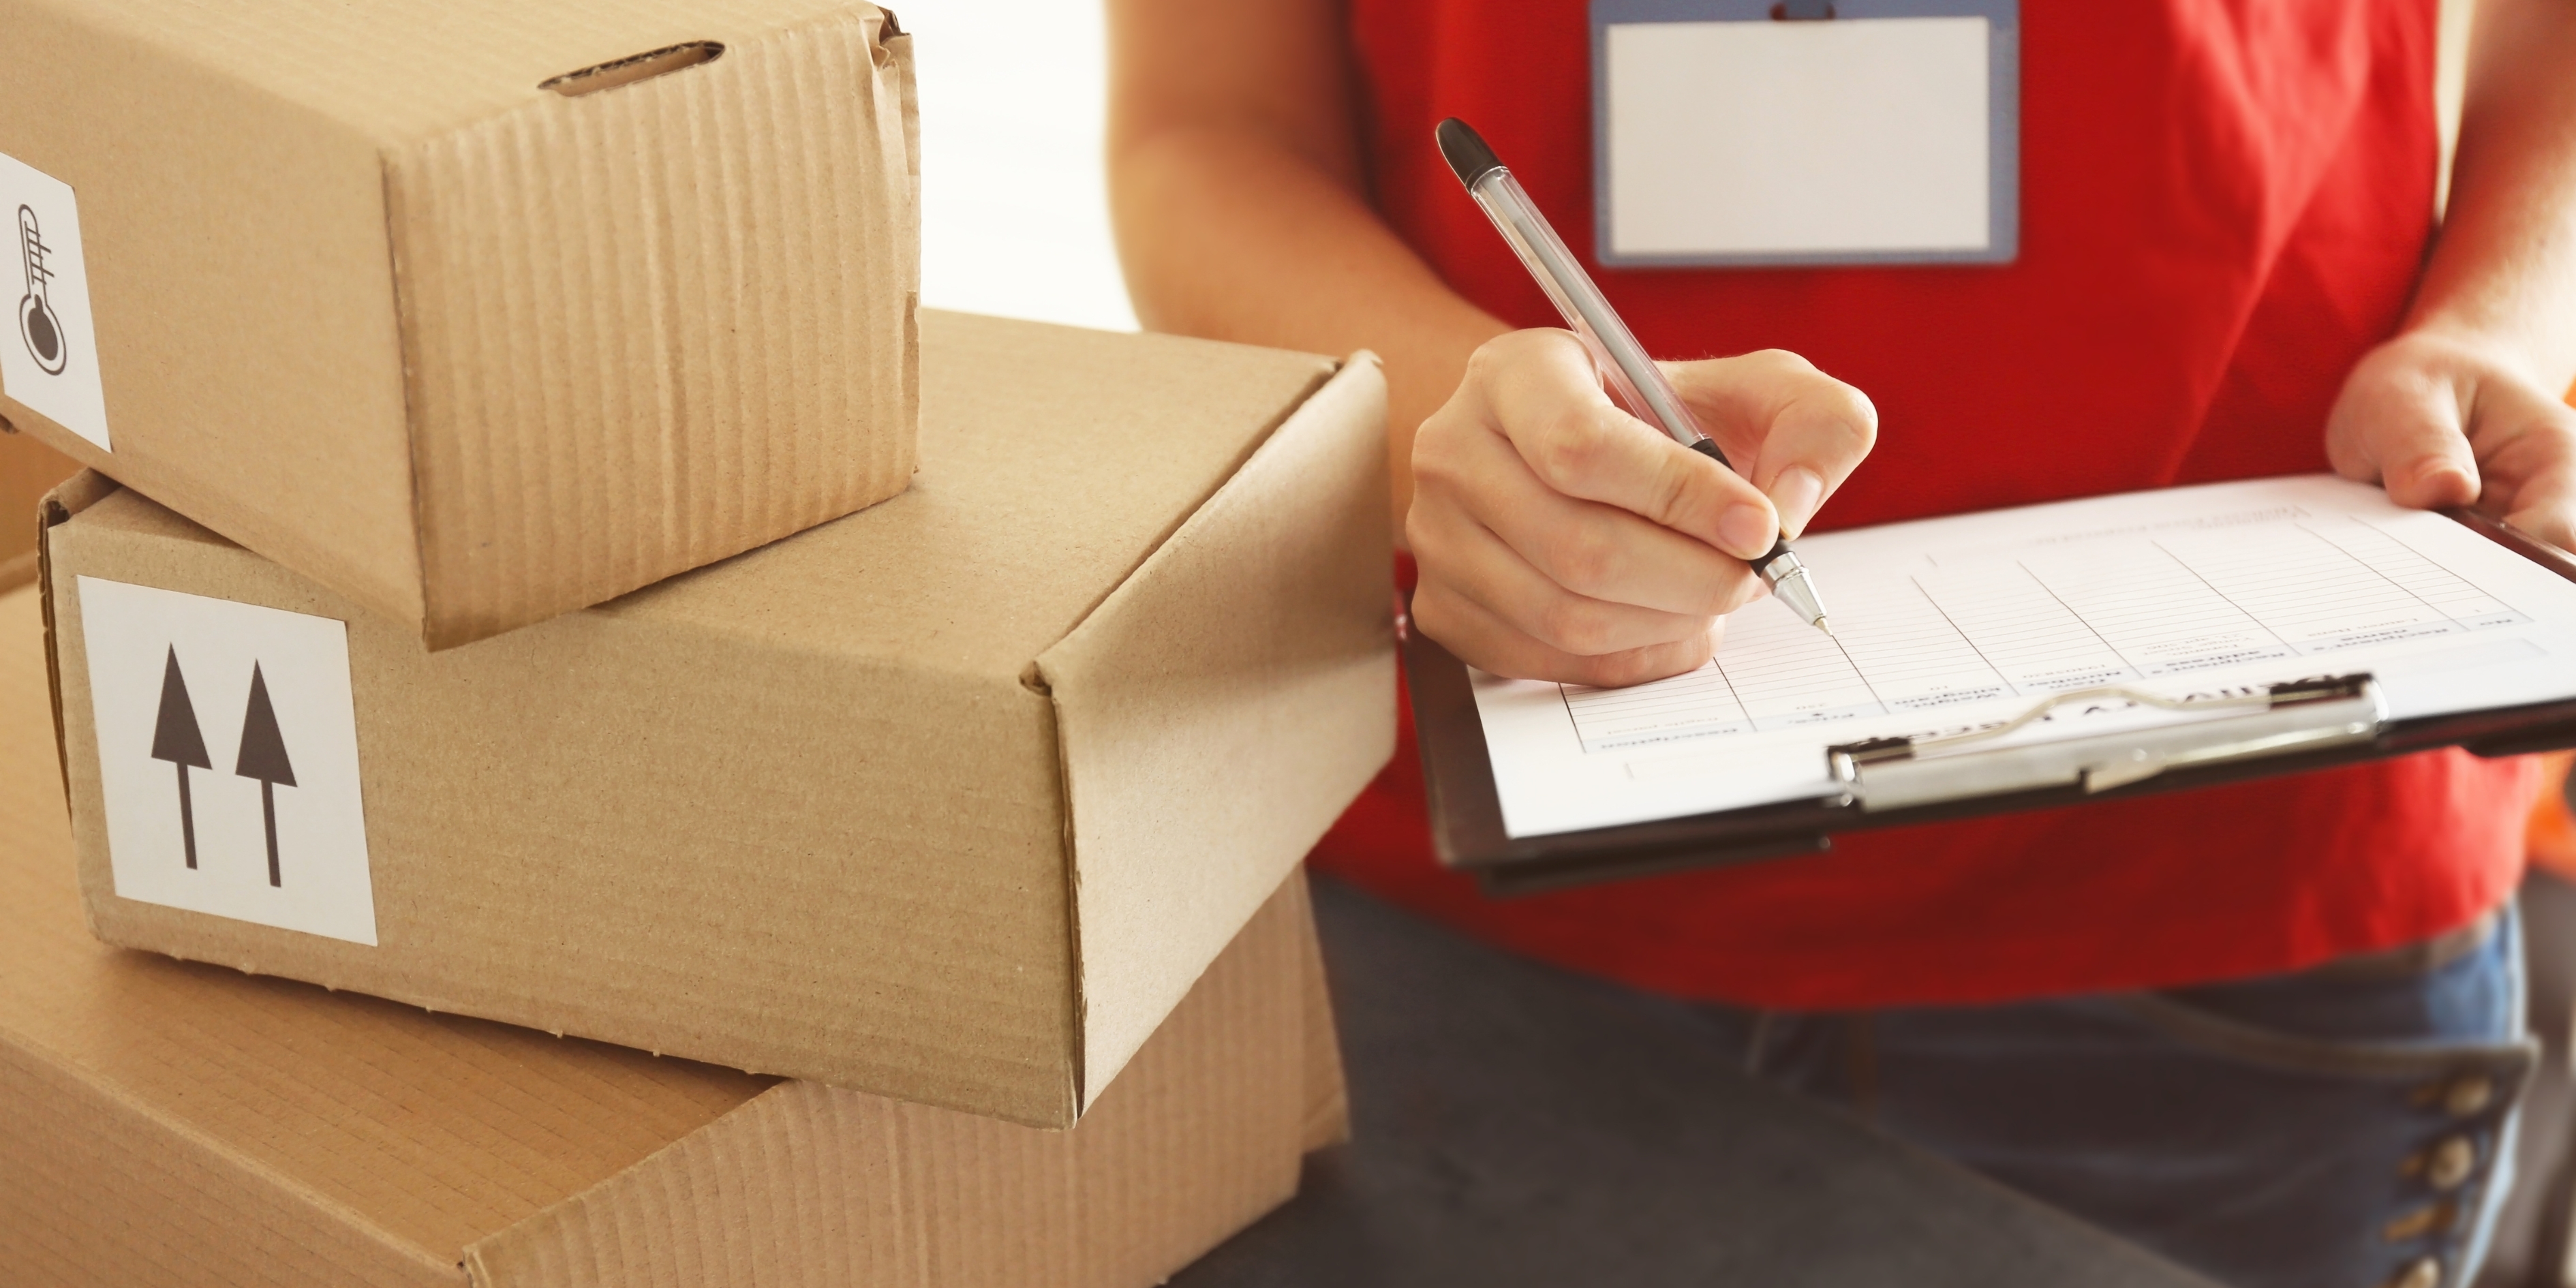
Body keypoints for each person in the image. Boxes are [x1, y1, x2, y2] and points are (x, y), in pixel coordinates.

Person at [1105, 3, 2576, 1285]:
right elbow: (1208, 129)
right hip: (1485, 871)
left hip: (2250, 873)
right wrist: (1439, 419)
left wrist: (2500, 335)